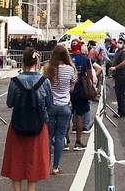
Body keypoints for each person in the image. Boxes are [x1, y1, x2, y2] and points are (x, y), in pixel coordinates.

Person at [1, 48, 52, 191]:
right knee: (34, 162)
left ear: (23, 62)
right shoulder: (44, 81)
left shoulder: (15, 81)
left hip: (17, 124)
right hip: (38, 125)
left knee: (16, 161)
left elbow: (9, 103)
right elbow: (50, 104)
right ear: (37, 62)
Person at [45, 45, 76, 174]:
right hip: (64, 106)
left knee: (48, 135)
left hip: (51, 105)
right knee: (60, 136)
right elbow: (72, 88)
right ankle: (55, 166)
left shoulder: (48, 68)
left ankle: (46, 164)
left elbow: (45, 86)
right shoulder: (70, 69)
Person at [69, 40, 92, 149]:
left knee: (67, 115)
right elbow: (90, 75)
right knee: (79, 116)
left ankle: (65, 139)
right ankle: (78, 141)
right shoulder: (85, 59)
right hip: (80, 89)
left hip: (68, 89)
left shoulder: (67, 59)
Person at [110, 40, 125, 117]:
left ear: (124, 44)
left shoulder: (124, 52)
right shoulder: (118, 51)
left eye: (121, 42)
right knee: (121, 93)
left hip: (122, 75)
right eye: (118, 42)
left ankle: (121, 112)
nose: (119, 44)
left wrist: (115, 67)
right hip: (119, 75)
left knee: (119, 94)